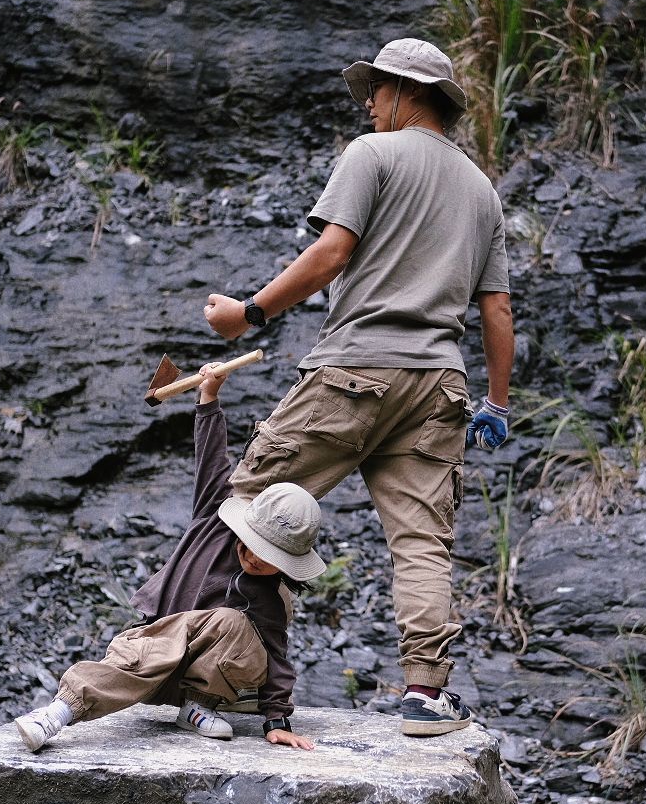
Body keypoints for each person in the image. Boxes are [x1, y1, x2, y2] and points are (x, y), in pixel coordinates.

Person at [202, 37, 514, 738]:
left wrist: (247, 313)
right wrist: (496, 401)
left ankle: (217, 678)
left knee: (246, 506)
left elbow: (330, 253)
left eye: (375, 90)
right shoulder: (480, 190)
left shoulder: (370, 156)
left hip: (355, 370)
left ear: (407, 92)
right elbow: (497, 309)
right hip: (438, 386)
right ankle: (426, 698)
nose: (368, 103)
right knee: (423, 544)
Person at [13, 365, 326, 753]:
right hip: (147, 654)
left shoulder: (270, 599)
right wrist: (208, 398)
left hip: (197, 681)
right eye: (255, 544)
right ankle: (59, 712)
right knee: (160, 646)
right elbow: (211, 460)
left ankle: (197, 709)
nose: (257, 560)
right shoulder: (213, 519)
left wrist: (277, 721)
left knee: (237, 625)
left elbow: (276, 659)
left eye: (272, 557)